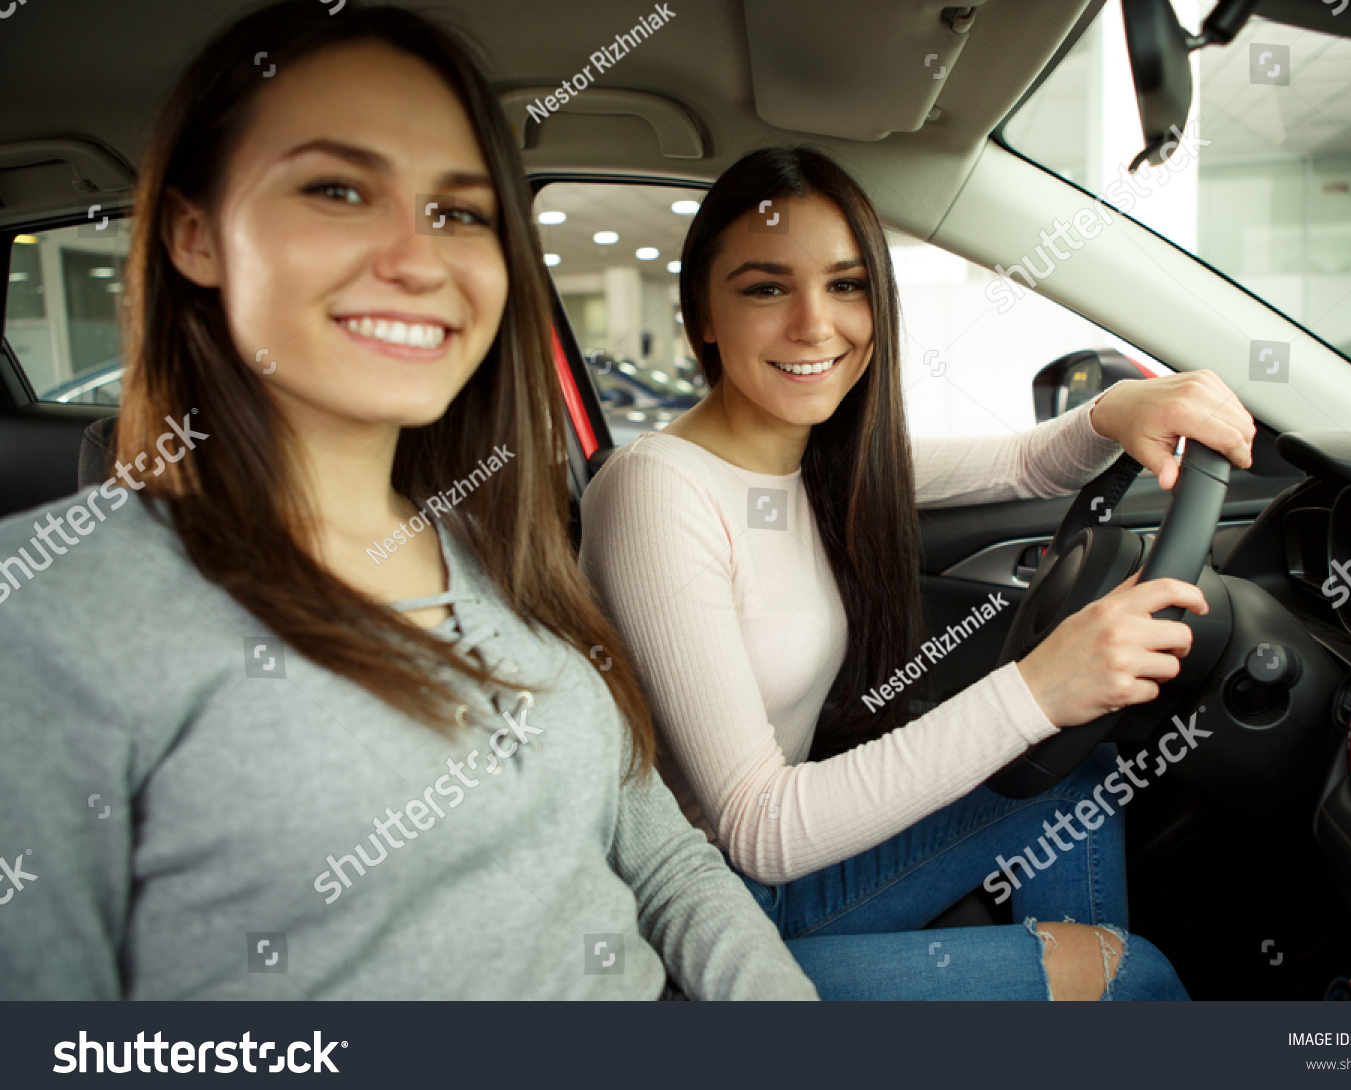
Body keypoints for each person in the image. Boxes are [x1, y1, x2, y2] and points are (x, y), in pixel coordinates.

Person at [0, 3, 816, 1001]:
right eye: (338, 190)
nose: (418, 260)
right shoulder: (46, 618)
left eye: (459, 213)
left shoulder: (500, 553)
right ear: (194, 235)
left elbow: (671, 866)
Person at [580, 147, 1256, 1000]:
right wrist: (1041, 686)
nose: (814, 325)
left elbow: (1024, 463)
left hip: (766, 888)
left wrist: (1117, 406)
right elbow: (756, 825)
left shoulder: (818, 460)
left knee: (1073, 777)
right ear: (702, 317)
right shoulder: (656, 491)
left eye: (847, 285)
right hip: (687, 934)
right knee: (1136, 978)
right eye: (764, 288)